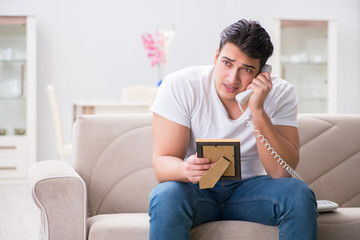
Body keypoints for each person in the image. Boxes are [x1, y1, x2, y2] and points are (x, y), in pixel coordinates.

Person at [149, 19, 318, 240]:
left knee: (298, 194)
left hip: (251, 192)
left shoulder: (280, 93)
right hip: (197, 189)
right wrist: (185, 170)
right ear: (216, 56)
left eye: (246, 69)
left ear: (262, 72)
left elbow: (280, 172)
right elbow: (162, 164)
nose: (233, 78)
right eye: (227, 63)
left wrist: (257, 110)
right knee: (166, 194)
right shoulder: (181, 85)